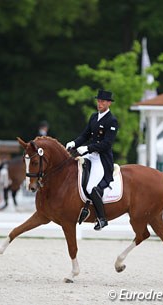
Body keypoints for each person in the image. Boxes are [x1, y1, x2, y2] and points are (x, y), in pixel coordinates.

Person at [66, 89, 118, 230]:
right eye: (98, 101)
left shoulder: (111, 121)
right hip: (89, 155)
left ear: (108, 103)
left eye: (102, 101)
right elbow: (85, 135)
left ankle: (101, 218)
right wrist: (75, 143)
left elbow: (107, 143)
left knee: (90, 187)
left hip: (101, 159)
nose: (99, 103)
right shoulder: (94, 117)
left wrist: (88, 148)